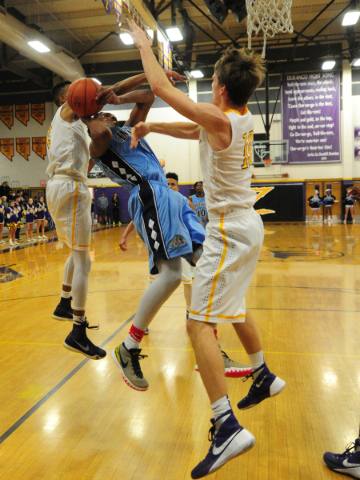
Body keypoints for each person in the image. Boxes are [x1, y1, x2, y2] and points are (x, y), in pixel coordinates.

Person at [126, 19, 285, 478]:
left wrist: (143, 43)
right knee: (233, 307)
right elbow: (189, 128)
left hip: (228, 229)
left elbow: (158, 83)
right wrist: (153, 125)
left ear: (217, 87)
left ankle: (226, 425)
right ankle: (263, 375)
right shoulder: (236, 118)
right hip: (244, 224)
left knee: (199, 323)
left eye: (210, 81)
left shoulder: (218, 120)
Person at [86, 81, 204, 392]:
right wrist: (88, 113)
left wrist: (118, 95)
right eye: (103, 115)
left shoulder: (127, 130)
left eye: (111, 115)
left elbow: (149, 96)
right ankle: (129, 346)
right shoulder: (101, 146)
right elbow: (98, 132)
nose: (109, 118)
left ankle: (209, 342)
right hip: (149, 194)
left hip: (170, 196)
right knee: (171, 275)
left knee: (207, 259)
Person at [120, 171, 252, 379]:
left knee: (203, 282)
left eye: (174, 183)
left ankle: (204, 340)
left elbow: (193, 223)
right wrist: (126, 235)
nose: (171, 185)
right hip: (165, 251)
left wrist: (207, 247)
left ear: (178, 186)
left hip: (185, 245)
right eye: (168, 182)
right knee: (161, 283)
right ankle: (139, 332)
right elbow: (137, 220)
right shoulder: (152, 199)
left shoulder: (182, 200)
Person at [46, 79, 106, 360]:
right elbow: (95, 96)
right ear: (64, 98)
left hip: (68, 184)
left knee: (76, 252)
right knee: (84, 260)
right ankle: (78, 333)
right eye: (75, 91)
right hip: (69, 187)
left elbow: (87, 160)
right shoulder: (66, 112)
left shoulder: (72, 127)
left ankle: (64, 302)